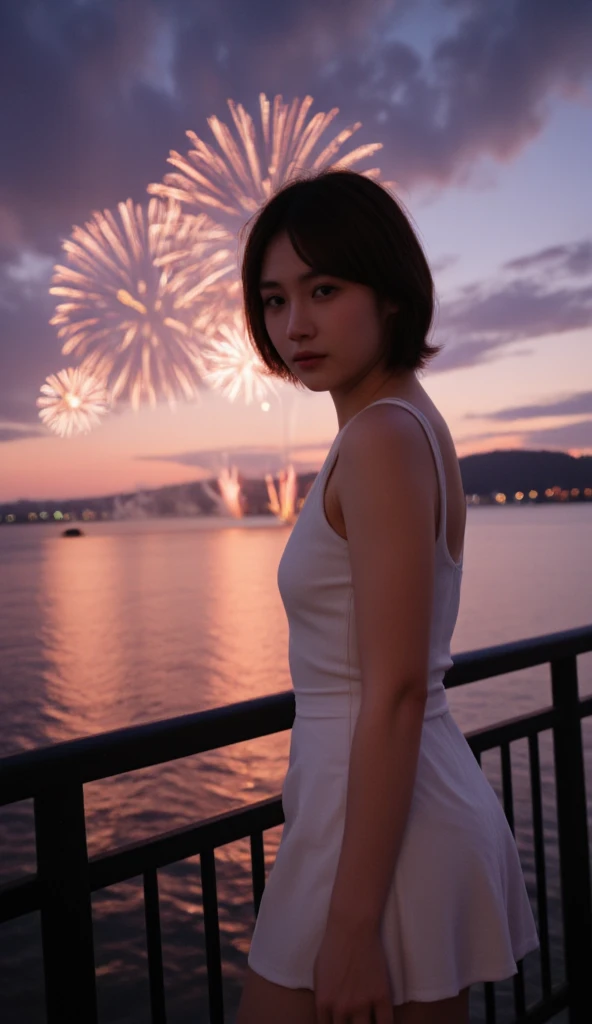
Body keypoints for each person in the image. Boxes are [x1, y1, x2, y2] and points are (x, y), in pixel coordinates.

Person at [235, 170, 539, 1024]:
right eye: (274, 299)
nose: (295, 325)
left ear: (393, 295)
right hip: (381, 804)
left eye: (323, 290)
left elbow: (398, 687)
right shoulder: (410, 423)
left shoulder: (379, 439)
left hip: (373, 830)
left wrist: (355, 924)